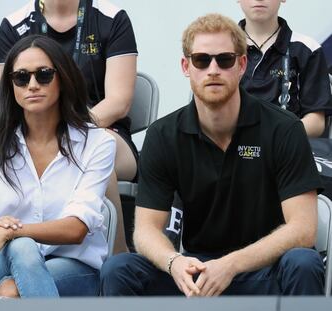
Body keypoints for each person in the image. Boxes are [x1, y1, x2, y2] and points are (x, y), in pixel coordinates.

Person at [100, 13, 325, 296]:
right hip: (197, 273)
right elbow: (145, 231)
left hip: (264, 271)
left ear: (242, 65)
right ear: (186, 66)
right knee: (119, 270)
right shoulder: (163, 135)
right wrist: (174, 263)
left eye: (225, 60)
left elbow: (303, 229)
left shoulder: (284, 129)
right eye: (202, 60)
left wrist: (231, 265)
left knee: (303, 262)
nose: (213, 69)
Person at [0, 35, 115, 298]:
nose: (32, 85)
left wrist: (9, 232)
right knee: (21, 251)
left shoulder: (97, 143)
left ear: (62, 78)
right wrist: (5, 240)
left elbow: (76, 229)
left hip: (71, 267)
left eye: (43, 75)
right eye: (21, 77)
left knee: (16, 276)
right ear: (11, 85)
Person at [0, 0, 138, 254]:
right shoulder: (13, 24)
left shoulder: (112, 18)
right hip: (36, 133)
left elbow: (118, 102)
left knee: (95, 149)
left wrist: (68, 131)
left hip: (103, 129)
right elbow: (12, 97)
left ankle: (117, 261)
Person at [238, 0, 332, 137]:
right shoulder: (220, 47)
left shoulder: (307, 49)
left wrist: (276, 139)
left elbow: (316, 122)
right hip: (232, 149)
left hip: (287, 148)